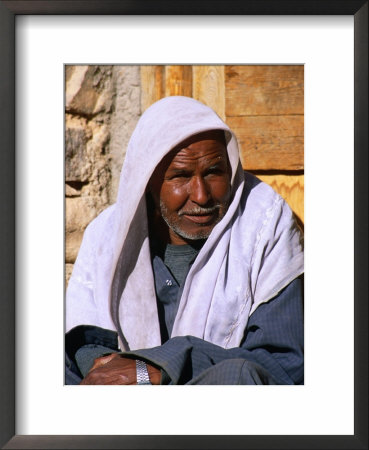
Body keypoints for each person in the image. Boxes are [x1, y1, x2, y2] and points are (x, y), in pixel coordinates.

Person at [65, 96, 304, 385]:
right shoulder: (108, 234)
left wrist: (163, 366)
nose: (201, 195)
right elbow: (83, 337)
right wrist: (110, 369)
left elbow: (283, 364)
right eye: (180, 176)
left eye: (214, 172)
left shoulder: (263, 222)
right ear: (148, 181)